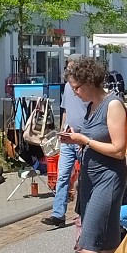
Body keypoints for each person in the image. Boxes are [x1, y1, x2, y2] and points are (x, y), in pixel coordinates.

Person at [59, 57, 127, 253]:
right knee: (109, 242)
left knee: (89, 244)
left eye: (76, 87)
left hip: (107, 180)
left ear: (89, 83)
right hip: (92, 180)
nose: (74, 92)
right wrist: (75, 136)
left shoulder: (112, 105)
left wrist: (84, 140)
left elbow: (120, 149)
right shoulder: (92, 106)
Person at [43, 60, 88, 228]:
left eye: (72, 66)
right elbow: (66, 110)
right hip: (68, 137)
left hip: (82, 137)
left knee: (85, 177)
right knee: (63, 176)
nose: (69, 69)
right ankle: (58, 214)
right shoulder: (68, 87)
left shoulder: (86, 87)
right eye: (68, 66)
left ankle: (84, 212)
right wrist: (62, 128)